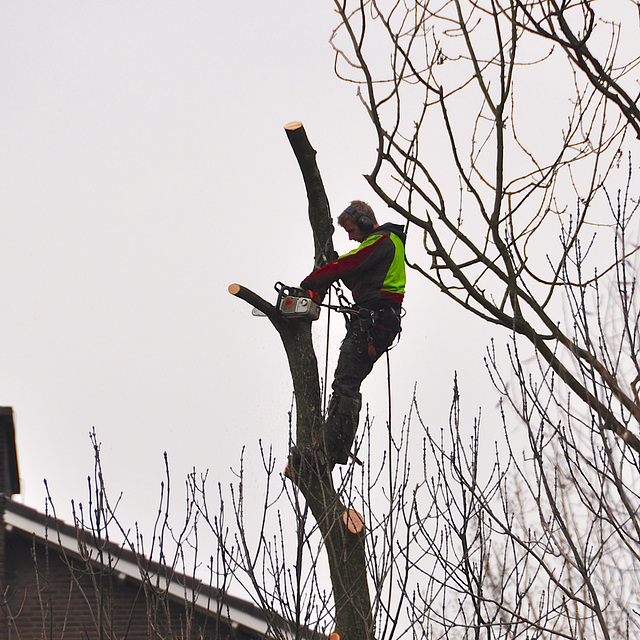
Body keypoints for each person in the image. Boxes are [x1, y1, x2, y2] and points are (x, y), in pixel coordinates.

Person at [298, 200, 406, 471]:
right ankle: (327, 448)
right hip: (372, 321)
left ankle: (327, 454)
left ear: (365, 223)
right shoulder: (382, 245)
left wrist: (311, 282)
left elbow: (350, 265)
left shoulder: (383, 240)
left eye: (351, 229)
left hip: (374, 323)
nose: (350, 236)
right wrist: (331, 267)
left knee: (345, 385)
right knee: (345, 384)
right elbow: (355, 274)